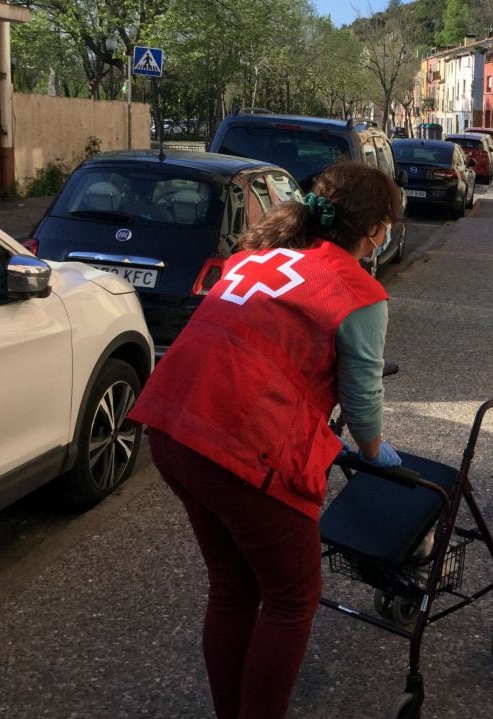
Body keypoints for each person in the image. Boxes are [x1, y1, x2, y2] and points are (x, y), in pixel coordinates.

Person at [128, 161, 402, 719]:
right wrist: (375, 452)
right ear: (374, 228)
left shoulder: (257, 255)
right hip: (238, 446)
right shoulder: (358, 290)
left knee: (232, 585)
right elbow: (362, 397)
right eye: (390, 224)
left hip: (172, 426)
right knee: (291, 601)